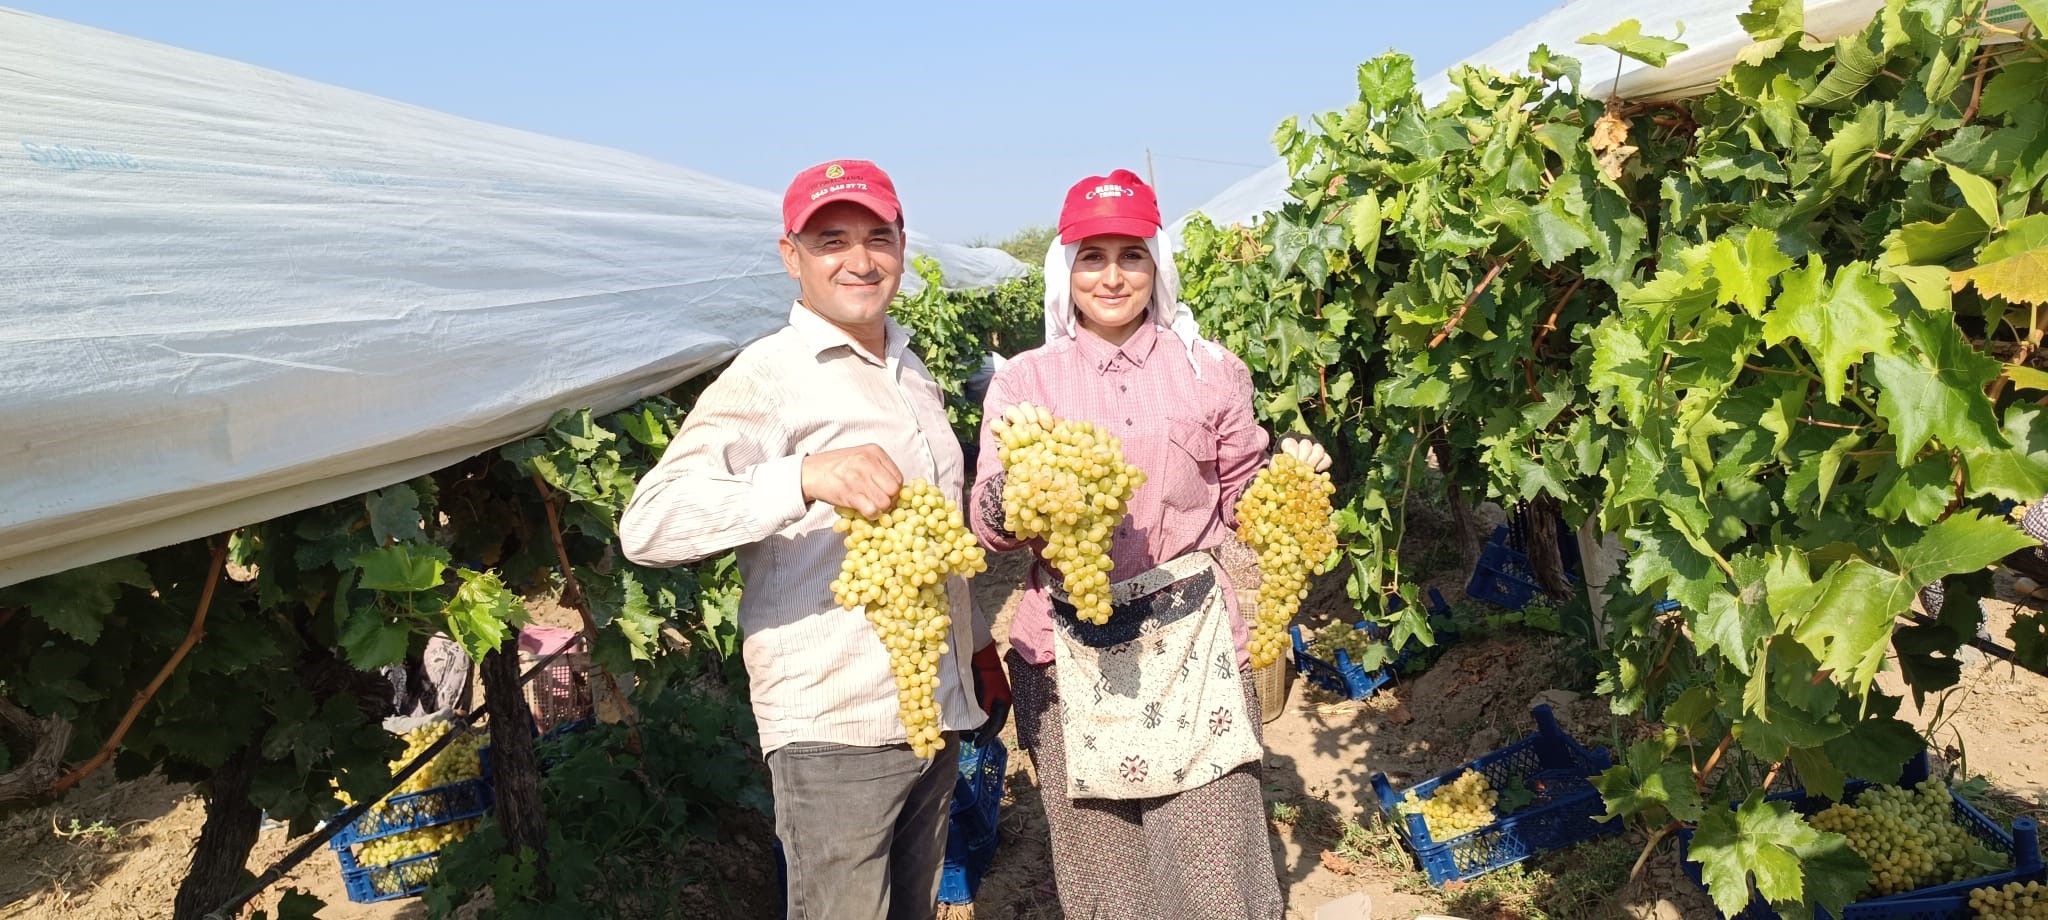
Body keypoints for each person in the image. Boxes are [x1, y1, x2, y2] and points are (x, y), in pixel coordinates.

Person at [620, 159, 1011, 920]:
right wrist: (801, 477)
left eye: (878, 237)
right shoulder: (770, 374)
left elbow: (930, 538)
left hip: (930, 710)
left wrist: (974, 645)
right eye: (832, 240)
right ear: (790, 255)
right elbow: (650, 523)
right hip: (836, 725)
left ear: (901, 245)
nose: (859, 260)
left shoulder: (909, 369)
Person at [969, 169, 1329, 920]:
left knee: (1213, 877)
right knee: (1111, 887)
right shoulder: (1025, 385)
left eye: (1130, 255)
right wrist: (1025, 493)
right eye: (1091, 256)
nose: (1111, 275)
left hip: (1196, 652)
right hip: (1066, 658)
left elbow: (1242, 499)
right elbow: (989, 527)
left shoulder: (1211, 370)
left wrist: (1292, 483)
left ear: (1155, 264)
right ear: (1066, 271)